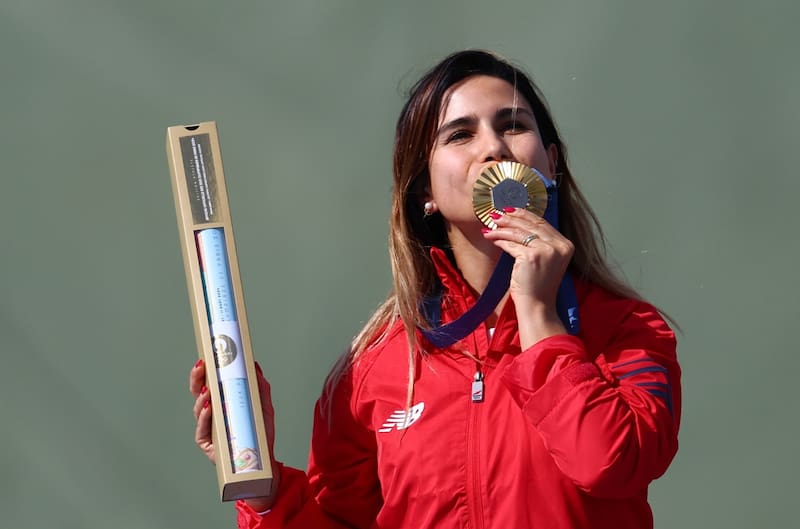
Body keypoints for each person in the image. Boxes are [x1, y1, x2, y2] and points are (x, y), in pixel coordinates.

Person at [189, 49, 680, 529]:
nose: (493, 149)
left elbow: (608, 464)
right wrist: (263, 492)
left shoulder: (627, 328)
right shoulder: (371, 370)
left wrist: (537, 313)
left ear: (551, 162)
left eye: (513, 125)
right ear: (425, 189)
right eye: (460, 134)